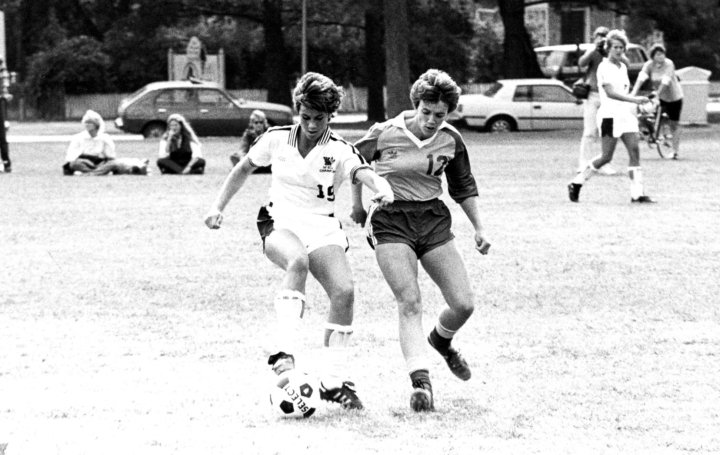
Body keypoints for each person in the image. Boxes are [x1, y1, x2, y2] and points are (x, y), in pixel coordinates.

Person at [204, 72, 394, 411]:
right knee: (297, 262)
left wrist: (381, 187)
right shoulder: (276, 139)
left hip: (322, 225)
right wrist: (218, 207)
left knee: (344, 292)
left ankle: (333, 383)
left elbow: (360, 171)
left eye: (319, 118)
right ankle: (283, 352)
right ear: (298, 110)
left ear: (330, 116)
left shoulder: (338, 149)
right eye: (305, 116)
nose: (310, 124)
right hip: (280, 220)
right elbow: (243, 168)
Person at [352, 69, 491, 412]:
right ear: (416, 105)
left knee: (463, 304)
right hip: (390, 219)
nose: (431, 120)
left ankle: (441, 341)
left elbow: (463, 187)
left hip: (432, 219)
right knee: (410, 300)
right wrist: (356, 205)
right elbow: (352, 163)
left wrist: (479, 228)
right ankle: (421, 385)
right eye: (425, 112)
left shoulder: (451, 139)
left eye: (439, 115)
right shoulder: (385, 133)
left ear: (449, 113)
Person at [568, 30, 654, 204]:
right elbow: (610, 93)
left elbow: (624, 80)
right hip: (609, 116)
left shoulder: (622, 66)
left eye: (621, 47)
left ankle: (637, 193)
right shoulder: (603, 67)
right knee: (606, 156)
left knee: (635, 151)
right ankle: (577, 182)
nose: (619, 50)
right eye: (615, 47)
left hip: (625, 115)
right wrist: (634, 100)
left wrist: (635, 106)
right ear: (608, 48)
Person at [577, 26, 624, 175]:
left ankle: (604, 163)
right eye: (599, 36)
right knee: (589, 131)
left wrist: (610, 52)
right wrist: (594, 49)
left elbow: (626, 63)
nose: (601, 39)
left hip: (609, 96)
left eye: (604, 36)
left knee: (607, 131)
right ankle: (583, 163)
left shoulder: (613, 52)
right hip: (593, 94)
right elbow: (581, 63)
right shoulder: (593, 52)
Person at [630, 43, 684, 160]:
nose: (661, 56)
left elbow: (666, 81)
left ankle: (675, 151)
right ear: (653, 56)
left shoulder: (669, 64)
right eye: (658, 54)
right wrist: (633, 94)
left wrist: (657, 95)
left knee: (674, 124)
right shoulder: (649, 65)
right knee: (643, 111)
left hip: (674, 97)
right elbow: (641, 78)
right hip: (660, 96)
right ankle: (649, 131)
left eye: (662, 54)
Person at [63, 110, 117, 175]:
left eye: (90, 123)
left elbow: (110, 156)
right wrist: (84, 161)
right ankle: (98, 172)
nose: (87, 125)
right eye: (86, 122)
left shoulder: (104, 138)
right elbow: (71, 155)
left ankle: (90, 173)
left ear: (96, 125)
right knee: (75, 164)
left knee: (113, 164)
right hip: (82, 161)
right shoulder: (78, 137)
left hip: (98, 162)